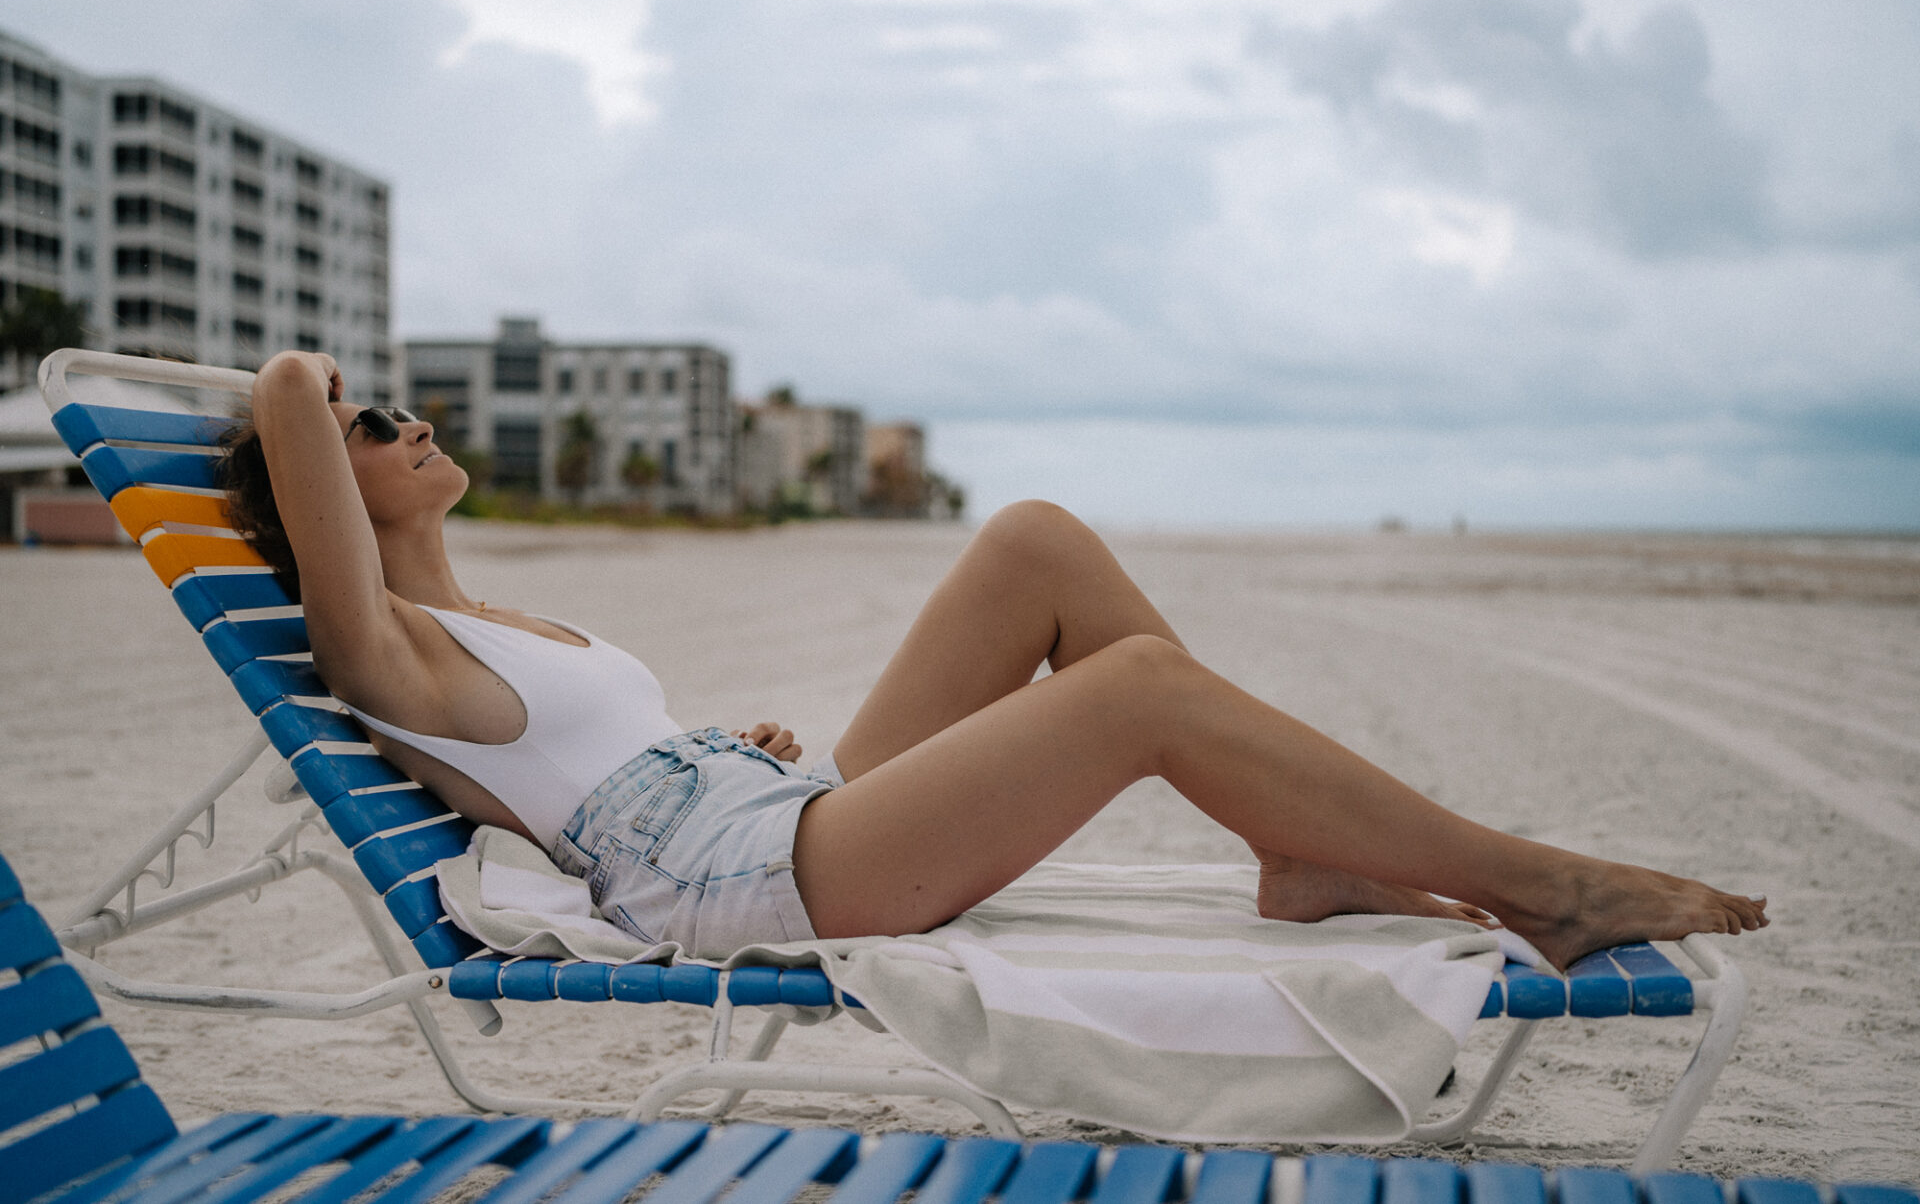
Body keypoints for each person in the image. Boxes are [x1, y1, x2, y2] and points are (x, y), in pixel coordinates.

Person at [225, 350, 1767, 969]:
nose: (405, 422)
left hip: (761, 813)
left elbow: (586, 765)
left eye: (402, 408)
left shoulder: (505, 618)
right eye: (375, 425)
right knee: (1140, 697)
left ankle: (1304, 858)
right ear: (323, 494)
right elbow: (290, 397)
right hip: (732, 887)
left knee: (1033, 539)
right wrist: (300, 381)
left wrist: (728, 748)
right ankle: (1539, 885)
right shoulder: (393, 650)